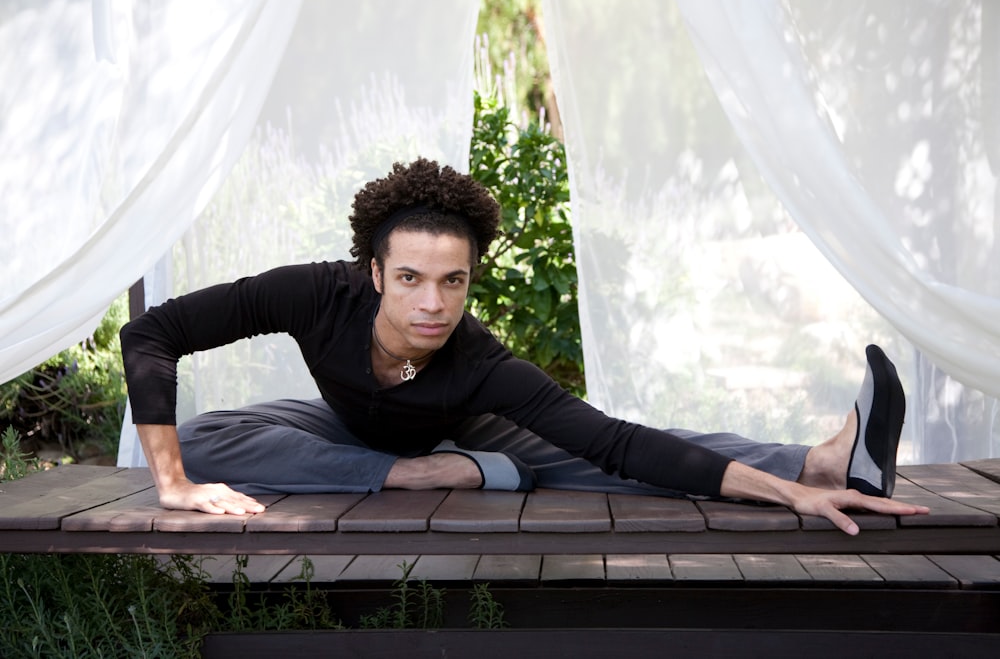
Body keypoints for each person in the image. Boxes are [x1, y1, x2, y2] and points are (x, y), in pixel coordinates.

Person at [120, 158, 928, 535]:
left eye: (453, 281)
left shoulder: (480, 363)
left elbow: (619, 443)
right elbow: (154, 333)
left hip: (476, 431)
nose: (432, 304)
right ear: (373, 272)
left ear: (471, 278)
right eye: (409, 279)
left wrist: (791, 497)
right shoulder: (310, 293)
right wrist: (172, 486)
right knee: (199, 441)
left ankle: (816, 465)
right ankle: (424, 472)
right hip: (348, 429)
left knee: (597, 453)